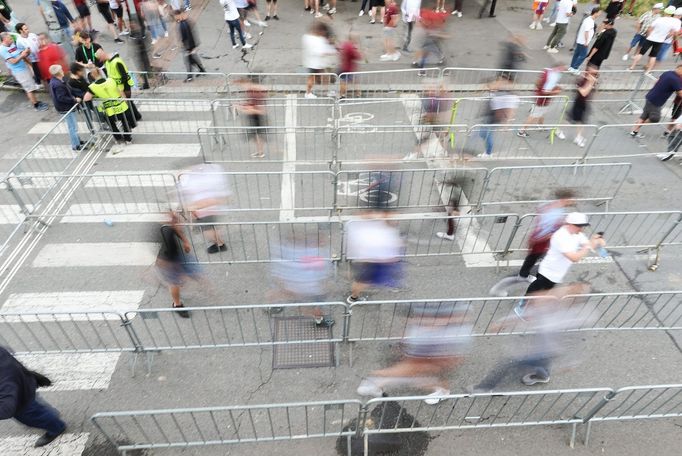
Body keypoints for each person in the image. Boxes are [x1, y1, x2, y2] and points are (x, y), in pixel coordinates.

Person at [357, 302, 471, 404]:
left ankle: (443, 391)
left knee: (418, 377)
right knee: (413, 375)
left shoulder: (440, 334)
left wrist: (385, 373)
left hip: (438, 357)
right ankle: (376, 383)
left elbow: (417, 362)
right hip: (433, 354)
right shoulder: (428, 326)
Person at [514, 212, 605, 318]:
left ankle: (530, 307)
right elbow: (574, 257)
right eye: (579, 226)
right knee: (536, 290)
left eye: (583, 226)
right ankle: (522, 307)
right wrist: (589, 246)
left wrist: (596, 242)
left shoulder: (577, 234)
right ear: (570, 224)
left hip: (557, 274)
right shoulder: (560, 237)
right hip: (547, 272)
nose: (581, 229)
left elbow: (587, 244)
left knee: (543, 292)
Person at [489, 189, 576, 297]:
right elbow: (545, 231)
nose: (573, 201)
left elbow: (541, 214)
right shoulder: (555, 213)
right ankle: (500, 288)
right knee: (526, 271)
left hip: (541, 243)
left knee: (533, 265)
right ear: (565, 199)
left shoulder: (552, 207)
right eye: (571, 199)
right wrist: (554, 234)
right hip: (541, 244)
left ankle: (532, 278)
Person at [0, 346, 66, 448]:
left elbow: (6, 407)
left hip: (19, 400)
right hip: (24, 386)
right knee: (38, 405)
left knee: (34, 416)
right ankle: (51, 415)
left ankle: (57, 427)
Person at [345, 212, 403, 304]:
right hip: (371, 260)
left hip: (369, 259)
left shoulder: (367, 226)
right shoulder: (373, 229)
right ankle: (353, 298)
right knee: (363, 281)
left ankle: (354, 295)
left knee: (363, 279)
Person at [155, 211, 201, 318]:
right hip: (167, 261)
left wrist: (185, 241)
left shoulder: (169, 223)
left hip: (176, 255)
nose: (176, 220)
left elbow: (175, 228)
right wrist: (177, 270)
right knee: (175, 284)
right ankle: (177, 305)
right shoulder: (159, 232)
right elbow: (159, 259)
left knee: (187, 277)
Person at [177, 164, 231, 254]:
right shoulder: (206, 174)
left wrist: (193, 207)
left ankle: (220, 244)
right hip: (205, 208)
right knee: (208, 228)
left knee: (206, 229)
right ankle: (219, 243)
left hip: (204, 209)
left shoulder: (198, 177)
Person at [83, 66, 137, 148]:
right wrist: (125, 101)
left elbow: (86, 99)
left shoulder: (92, 87)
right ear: (101, 73)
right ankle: (128, 139)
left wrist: (94, 101)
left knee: (112, 125)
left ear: (92, 76)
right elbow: (121, 91)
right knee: (125, 122)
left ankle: (118, 139)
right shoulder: (111, 80)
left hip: (109, 110)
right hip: (121, 106)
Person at [629, 65, 682, 138]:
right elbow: (680, 93)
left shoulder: (668, 72)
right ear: (679, 69)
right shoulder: (675, 79)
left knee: (644, 115)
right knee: (655, 118)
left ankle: (634, 131)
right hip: (656, 101)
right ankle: (638, 124)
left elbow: (656, 81)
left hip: (651, 96)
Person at [0, 32, 48, 111]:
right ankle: (36, 105)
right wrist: (22, 55)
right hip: (19, 72)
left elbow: (19, 54)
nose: (12, 39)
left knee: (31, 86)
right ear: (5, 39)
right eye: (10, 38)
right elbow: (13, 61)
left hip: (24, 67)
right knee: (29, 89)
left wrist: (27, 54)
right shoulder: (2, 50)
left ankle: (36, 101)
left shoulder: (11, 45)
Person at [517, 64, 565, 138]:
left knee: (542, 112)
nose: (563, 71)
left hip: (542, 98)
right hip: (542, 99)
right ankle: (521, 131)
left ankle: (540, 125)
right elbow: (544, 91)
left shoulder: (547, 71)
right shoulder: (551, 77)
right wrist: (555, 92)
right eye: (562, 69)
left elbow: (539, 84)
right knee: (533, 115)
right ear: (558, 68)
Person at [477, 76, 519, 158]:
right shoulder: (497, 91)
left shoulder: (505, 95)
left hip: (492, 118)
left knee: (487, 135)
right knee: (482, 133)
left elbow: (510, 110)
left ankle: (488, 153)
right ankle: (488, 151)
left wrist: (506, 123)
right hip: (488, 115)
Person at [629, 5, 680, 71]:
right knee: (653, 56)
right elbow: (672, 33)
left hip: (651, 38)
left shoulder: (659, 19)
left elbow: (650, 28)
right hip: (660, 41)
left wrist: (649, 36)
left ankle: (632, 67)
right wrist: (664, 38)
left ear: (665, 12)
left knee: (640, 53)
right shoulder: (672, 22)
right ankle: (648, 70)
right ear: (672, 14)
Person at [97, 48, 142, 121]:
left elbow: (124, 76)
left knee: (127, 103)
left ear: (103, 55)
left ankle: (133, 119)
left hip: (124, 86)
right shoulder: (108, 62)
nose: (100, 61)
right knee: (128, 103)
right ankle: (136, 116)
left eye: (100, 58)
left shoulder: (116, 61)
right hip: (118, 87)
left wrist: (122, 90)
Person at [48, 64, 85, 151]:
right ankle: (76, 145)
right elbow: (62, 97)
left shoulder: (56, 81)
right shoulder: (58, 84)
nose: (63, 71)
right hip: (66, 108)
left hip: (65, 108)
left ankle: (77, 141)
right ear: (58, 73)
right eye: (61, 70)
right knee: (72, 127)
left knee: (73, 126)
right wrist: (75, 100)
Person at [302, 20, 336, 99]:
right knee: (312, 78)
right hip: (313, 63)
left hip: (318, 63)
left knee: (324, 76)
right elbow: (318, 51)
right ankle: (308, 92)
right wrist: (330, 52)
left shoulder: (313, 37)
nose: (324, 33)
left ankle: (326, 91)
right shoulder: (312, 39)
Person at [236, 76, 267, 158]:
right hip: (254, 117)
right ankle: (259, 151)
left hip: (256, 117)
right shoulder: (252, 91)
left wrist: (244, 109)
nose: (243, 87)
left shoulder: (255, 93)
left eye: (243, 84)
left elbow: (261, 110)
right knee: (255, 136)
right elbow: (251, 104)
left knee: (257, 136)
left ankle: (261, 152)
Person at [568, 65, 598, 147]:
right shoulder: (581, 81)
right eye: (593, 74)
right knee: (578, 121)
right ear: (588, 73)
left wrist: (592, 83)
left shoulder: (592, 81)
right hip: (578, 102)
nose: (594, 76)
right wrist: (591, 83)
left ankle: (579, 136)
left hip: (585, 103)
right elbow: (584, 93)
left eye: (595, 75)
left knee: (581, 120)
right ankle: (578, 137)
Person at [175, 9, 206, 82]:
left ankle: (190, 76)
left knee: (188, 60)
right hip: (186, 45)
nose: (175, 18)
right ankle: (201, 70)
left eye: (176, 16)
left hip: (189, 45)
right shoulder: (179, 23)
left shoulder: (187, 22)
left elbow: (193, 33)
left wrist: (195, 46)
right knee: (192, 59)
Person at [568, 7, 600, 73]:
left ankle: (572, 67)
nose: (600, 14)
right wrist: (586, 41)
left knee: (577, 54)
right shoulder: (590, 21)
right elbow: (586, 31)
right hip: (583, 42)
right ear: (596, 13)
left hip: (580, 40)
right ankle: (575, 68)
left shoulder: (588, 19)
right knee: (583, 55)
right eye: (599, 13)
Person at [338, 33, 363, 98]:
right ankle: (343, 94)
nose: (356, 40)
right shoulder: (351, 47)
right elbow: (357, 56)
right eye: (355, 39)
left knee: (346, 81)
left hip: (343, 66)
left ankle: (343, 94)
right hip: (348, 68)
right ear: (352, 39)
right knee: (348, 81)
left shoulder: (345, 44)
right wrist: (358, 52)